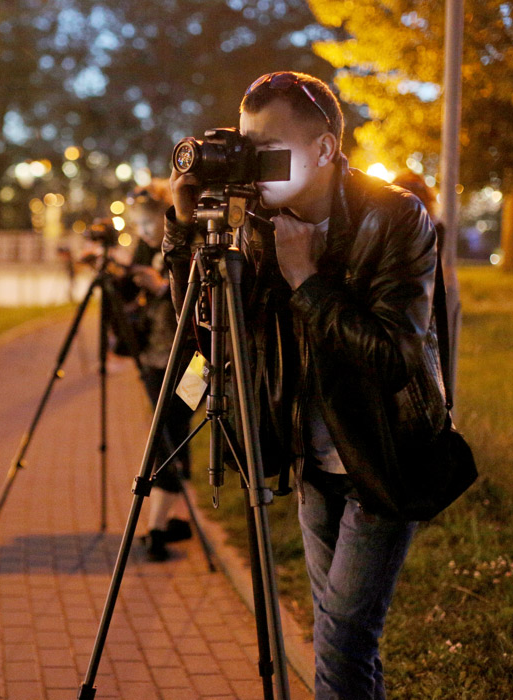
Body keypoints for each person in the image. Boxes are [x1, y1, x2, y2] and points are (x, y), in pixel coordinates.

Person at [165, 71, 441, 698]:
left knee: (343, 637)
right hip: (312, 456)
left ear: (324, 148)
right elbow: (206, 335)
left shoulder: (394, 216)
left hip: (381, 453)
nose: (253, 165)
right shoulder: (259, 219)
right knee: (340, 635)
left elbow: (394, 357)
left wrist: (307, 280)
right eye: (246, 147)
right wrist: (186, 229)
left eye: (269, 151)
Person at [124, 181, 198, 561]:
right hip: (156, 361)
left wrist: (161, 286)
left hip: (199, 363)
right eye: (137, 223)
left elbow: (204, 299)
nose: (143, 230)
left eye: (148, 222)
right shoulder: (143, 250)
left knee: (168, 436)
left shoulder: (192, 242)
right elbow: (127, 301)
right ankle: (177, 520)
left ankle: (155, 527)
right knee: (173, 436)